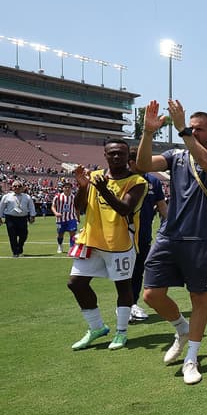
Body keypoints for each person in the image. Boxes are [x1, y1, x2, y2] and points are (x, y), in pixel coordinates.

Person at [136, 99, 207, 385]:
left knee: (199, 298)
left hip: (200, 238)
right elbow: (141, 164)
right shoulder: (175, 156)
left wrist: (182, 131)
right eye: (191, 127)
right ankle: (181, 328)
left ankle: (192, 357)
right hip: (169, 234)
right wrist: (148, 133)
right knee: (151, 295)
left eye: (199, 128)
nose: (192, 131)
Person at [67, 139, 148, 350]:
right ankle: (96, 327)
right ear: (105, 155)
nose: (116, 157)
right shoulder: (94, 177)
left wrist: (103, 190)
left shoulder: (137, 182)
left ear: (127, 157)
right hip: (92, 240)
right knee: (76, 283)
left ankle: (121, 332)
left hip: (120, 243)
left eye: (120, 153)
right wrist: (83, 187)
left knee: (122, 287)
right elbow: (80, 208)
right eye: (111, 153)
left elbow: (124, 209)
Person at [127, 149, 168, 322]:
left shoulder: (153, 181)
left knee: (138, 270)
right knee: (124, 272)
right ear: (130, 163)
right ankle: (125, 306)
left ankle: (131, 305)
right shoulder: (123, 179)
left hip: (144, 234)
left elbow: (163, 208)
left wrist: (171, 227)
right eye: (140, 160)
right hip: (122, 235)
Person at [0, 180, 37, 257]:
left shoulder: (27, 197)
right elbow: (1, 207)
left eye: (19, 186)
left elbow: (31, 207)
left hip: (23, 218)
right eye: (15, 186)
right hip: (10, 218)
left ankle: (20, 247)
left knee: (24, 235)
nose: (17, 187)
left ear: (22, 188)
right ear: (12, 187)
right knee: (12, 236)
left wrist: (32, 216)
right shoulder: (6, 196)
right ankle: (15, 252)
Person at [51, 182, 78, 254]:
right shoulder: (58, 196)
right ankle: (60, 245)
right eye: (65, 187)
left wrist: (78, 218)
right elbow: (53, 206)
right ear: (63, 188)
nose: (67, 189)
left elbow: (76, 208)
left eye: (69, 187)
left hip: (71, 218)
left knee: (72, 233)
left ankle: (71, 248)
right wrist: (56, 213)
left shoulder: (74, 197)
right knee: (60, 234)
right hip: (60, 219)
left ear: (71, 188)